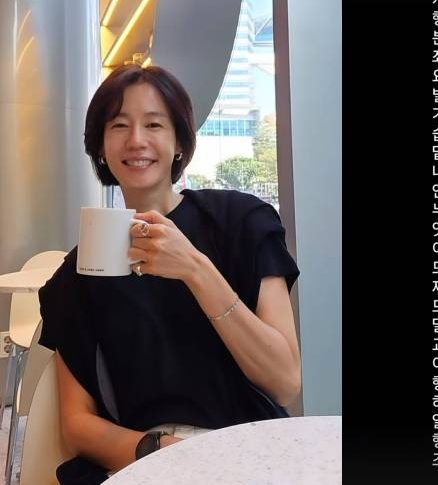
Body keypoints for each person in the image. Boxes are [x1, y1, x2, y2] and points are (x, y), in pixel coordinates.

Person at [38, 65, 301, 482]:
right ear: (101, 147)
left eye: (154, 124)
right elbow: (77, 424)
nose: (136, 140)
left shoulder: (241, 222)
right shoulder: (76, 275)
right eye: (119, 125)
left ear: (179, 142)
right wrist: (163, 451)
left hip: (249, 452)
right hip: (146, 461)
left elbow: (284, 381)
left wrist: (195, 268)